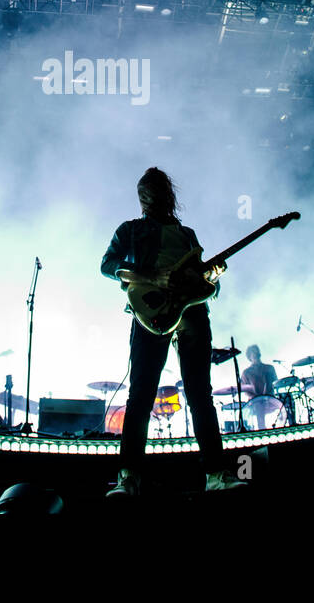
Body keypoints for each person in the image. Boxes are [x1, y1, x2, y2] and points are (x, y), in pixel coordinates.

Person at [101, 167, 246, 496]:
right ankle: (129, 478)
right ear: (142, 198)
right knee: (141, 396)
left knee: (200, 395)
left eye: (160, 188)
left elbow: (201, 281)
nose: (155, 195)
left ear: (168, 193)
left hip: (193, 313)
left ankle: (217, 475)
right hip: (151, 312)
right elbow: (108, 264)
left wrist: (213, 276)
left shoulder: (188, 235)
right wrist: (152, 277)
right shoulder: (131, 230)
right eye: (149, 191)